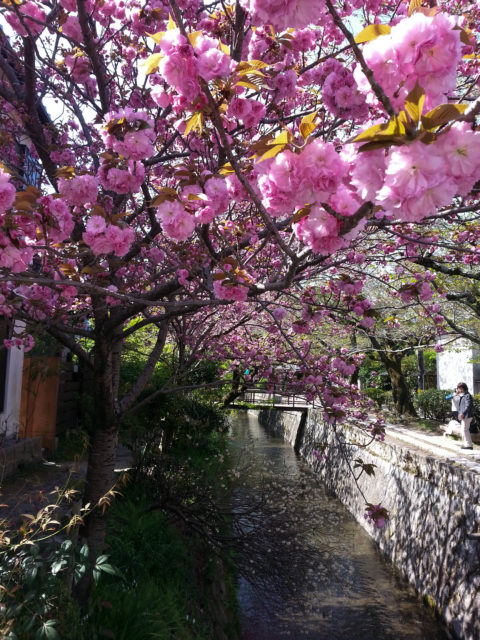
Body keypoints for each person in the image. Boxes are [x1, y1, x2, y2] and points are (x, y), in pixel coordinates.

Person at [456, 382, 474, 450]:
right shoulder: (464, 395)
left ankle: (468, 445)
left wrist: (463, 413)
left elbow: (468, 406)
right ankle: (466, 444)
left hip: (467, 416)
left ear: (463, 388)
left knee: (465, 430)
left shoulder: (467, 395)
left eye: (460, 388)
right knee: (464, 430)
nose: (459, 390)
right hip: (465, 416)